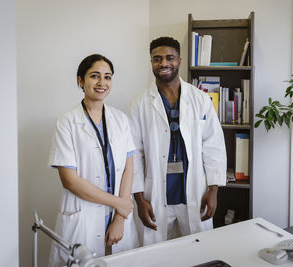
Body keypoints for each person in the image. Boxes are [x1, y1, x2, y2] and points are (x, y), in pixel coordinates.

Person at [129, 37, 227, 246]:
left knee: (199, 252)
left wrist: (213, 190)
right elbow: (134, 154)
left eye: (169, 58)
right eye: (157, 59)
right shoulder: (139, 103)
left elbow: (214, 146)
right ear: (151, 62)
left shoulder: (200, 99)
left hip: (194, 192)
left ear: (179, 61)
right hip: (155, 195)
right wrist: (139, 199)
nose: (163, 63)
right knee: (156, 256)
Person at [48, 54, 138, 266]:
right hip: (84, 218)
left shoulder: (120, 119)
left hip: (117, 215)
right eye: (94, 76)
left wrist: (120, 217)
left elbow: (128, 167)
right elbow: (70, 180)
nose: (102, 83)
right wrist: (120, 204)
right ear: (81, 80)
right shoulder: (67, 122)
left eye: (107, 77)